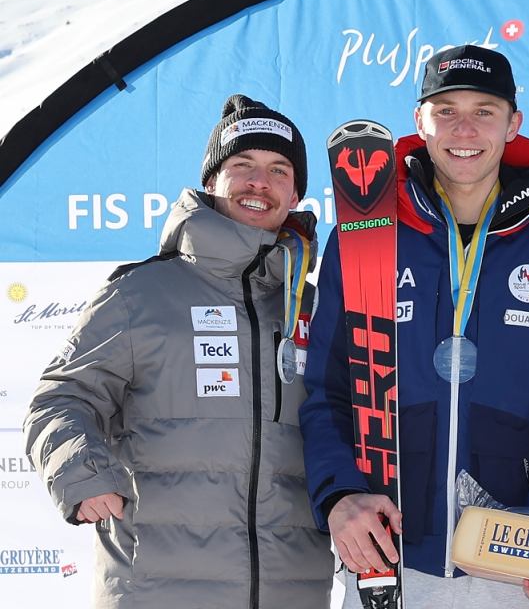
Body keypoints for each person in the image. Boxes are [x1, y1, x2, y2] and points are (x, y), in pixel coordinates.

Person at [300, 45, 529, 608]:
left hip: (511, 561)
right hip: (388, 556)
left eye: (485, 110)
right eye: (446, 110)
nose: (465, 128)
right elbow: (326, 392)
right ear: (420, 121)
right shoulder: (365, 240)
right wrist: (339, 493)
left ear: (514, 123)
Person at [24, 94, 333, 609]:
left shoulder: (312, 306)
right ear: (211, 181)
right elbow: (62, 396)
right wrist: (84, 474)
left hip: (292, 589)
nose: (260, 183)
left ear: (297, 191)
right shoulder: (141, 293)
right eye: (242, 166)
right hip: (158, 588)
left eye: (279, 170)